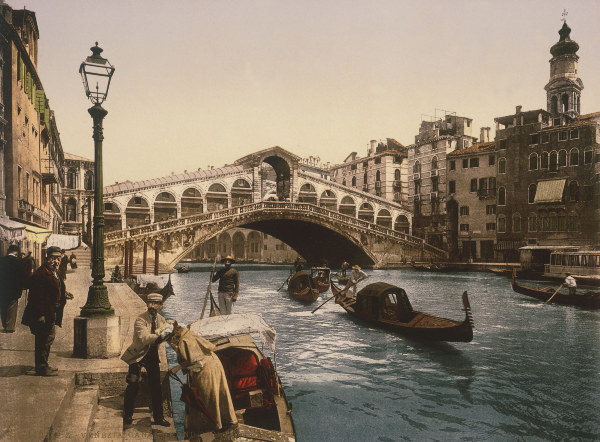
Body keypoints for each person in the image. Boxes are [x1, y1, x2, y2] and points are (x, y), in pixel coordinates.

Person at [167, 323, 238, 435]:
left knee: (207, 396)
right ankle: (224, 421)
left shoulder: (184, 341)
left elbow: (197, 362)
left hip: (206, 369)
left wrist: (177, 368)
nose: (169, 343)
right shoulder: (187, 335)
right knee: (218, 393)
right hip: (213, 364)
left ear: (173, 337)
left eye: (168, 341)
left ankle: (213, 426)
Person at [121, 293, 173, 427]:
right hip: (138, 355)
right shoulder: (140, 320)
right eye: (150, 303)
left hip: (152, 355)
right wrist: (161, 334)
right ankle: (128, 415)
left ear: (160, 306)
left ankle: (159, 418)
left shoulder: (161, 320)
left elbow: (167, 337)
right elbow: (144, 338)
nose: (152, 306)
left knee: (156, 387)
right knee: (133, 384)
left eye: (155, 303)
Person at [21, 246, 71, 376]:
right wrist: (40, 315)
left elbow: (54, 287)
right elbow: (36, 296)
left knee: (48, 338)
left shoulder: (55, 272)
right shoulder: (41, 273)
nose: (56, 262)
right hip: (44, 312)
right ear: (47, 259)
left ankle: (44, 364)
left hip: (52, 311)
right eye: (52, 259)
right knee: (43, 339)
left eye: (58, 259)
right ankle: (41, 367)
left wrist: (64, 293)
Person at [0, 244, 25, 333]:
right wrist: (22, 288)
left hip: (2, 289)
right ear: (16, 252)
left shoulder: (1, 261)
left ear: (9, 251)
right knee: (12, 307)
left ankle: (4, 324)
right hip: (14, 289)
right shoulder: (18, 262)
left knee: (3, 306)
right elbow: (21, 277)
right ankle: (10, 327)